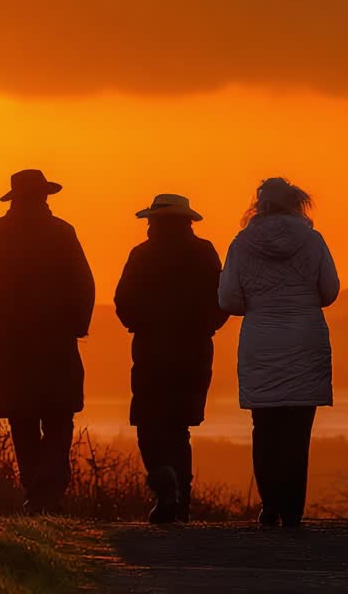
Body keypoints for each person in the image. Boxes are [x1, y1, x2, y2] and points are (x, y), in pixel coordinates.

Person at [0, 170, 95, 514]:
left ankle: (36, 489)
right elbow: (84, 285)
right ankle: (45, 488)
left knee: (21, 420)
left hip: (9, 347)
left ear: (14, 198)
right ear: (45, 197)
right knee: (58, 417)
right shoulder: (62, 233)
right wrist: (77, 326)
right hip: (56, 343)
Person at [219, 178, 340, 528]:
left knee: (265, 426)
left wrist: (258, 305)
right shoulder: (313, 241)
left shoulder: (241, 244)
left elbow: (228, 299)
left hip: (261, 340)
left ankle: (270, 504)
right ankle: (293, 508)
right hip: (306, 340)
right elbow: (329, 290)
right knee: (298, 430)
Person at [115, 194, 229, 525]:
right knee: (178, 428)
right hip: (194, 351)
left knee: (148, 424)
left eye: (151, 220)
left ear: (157, 222)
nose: (148, 226)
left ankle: (166, 486)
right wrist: (205, 327)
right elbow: (222, 299)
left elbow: (123, 300)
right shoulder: (204, 252)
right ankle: (181, 501)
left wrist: (139, 324)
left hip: (151, 351)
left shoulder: (142, 254)